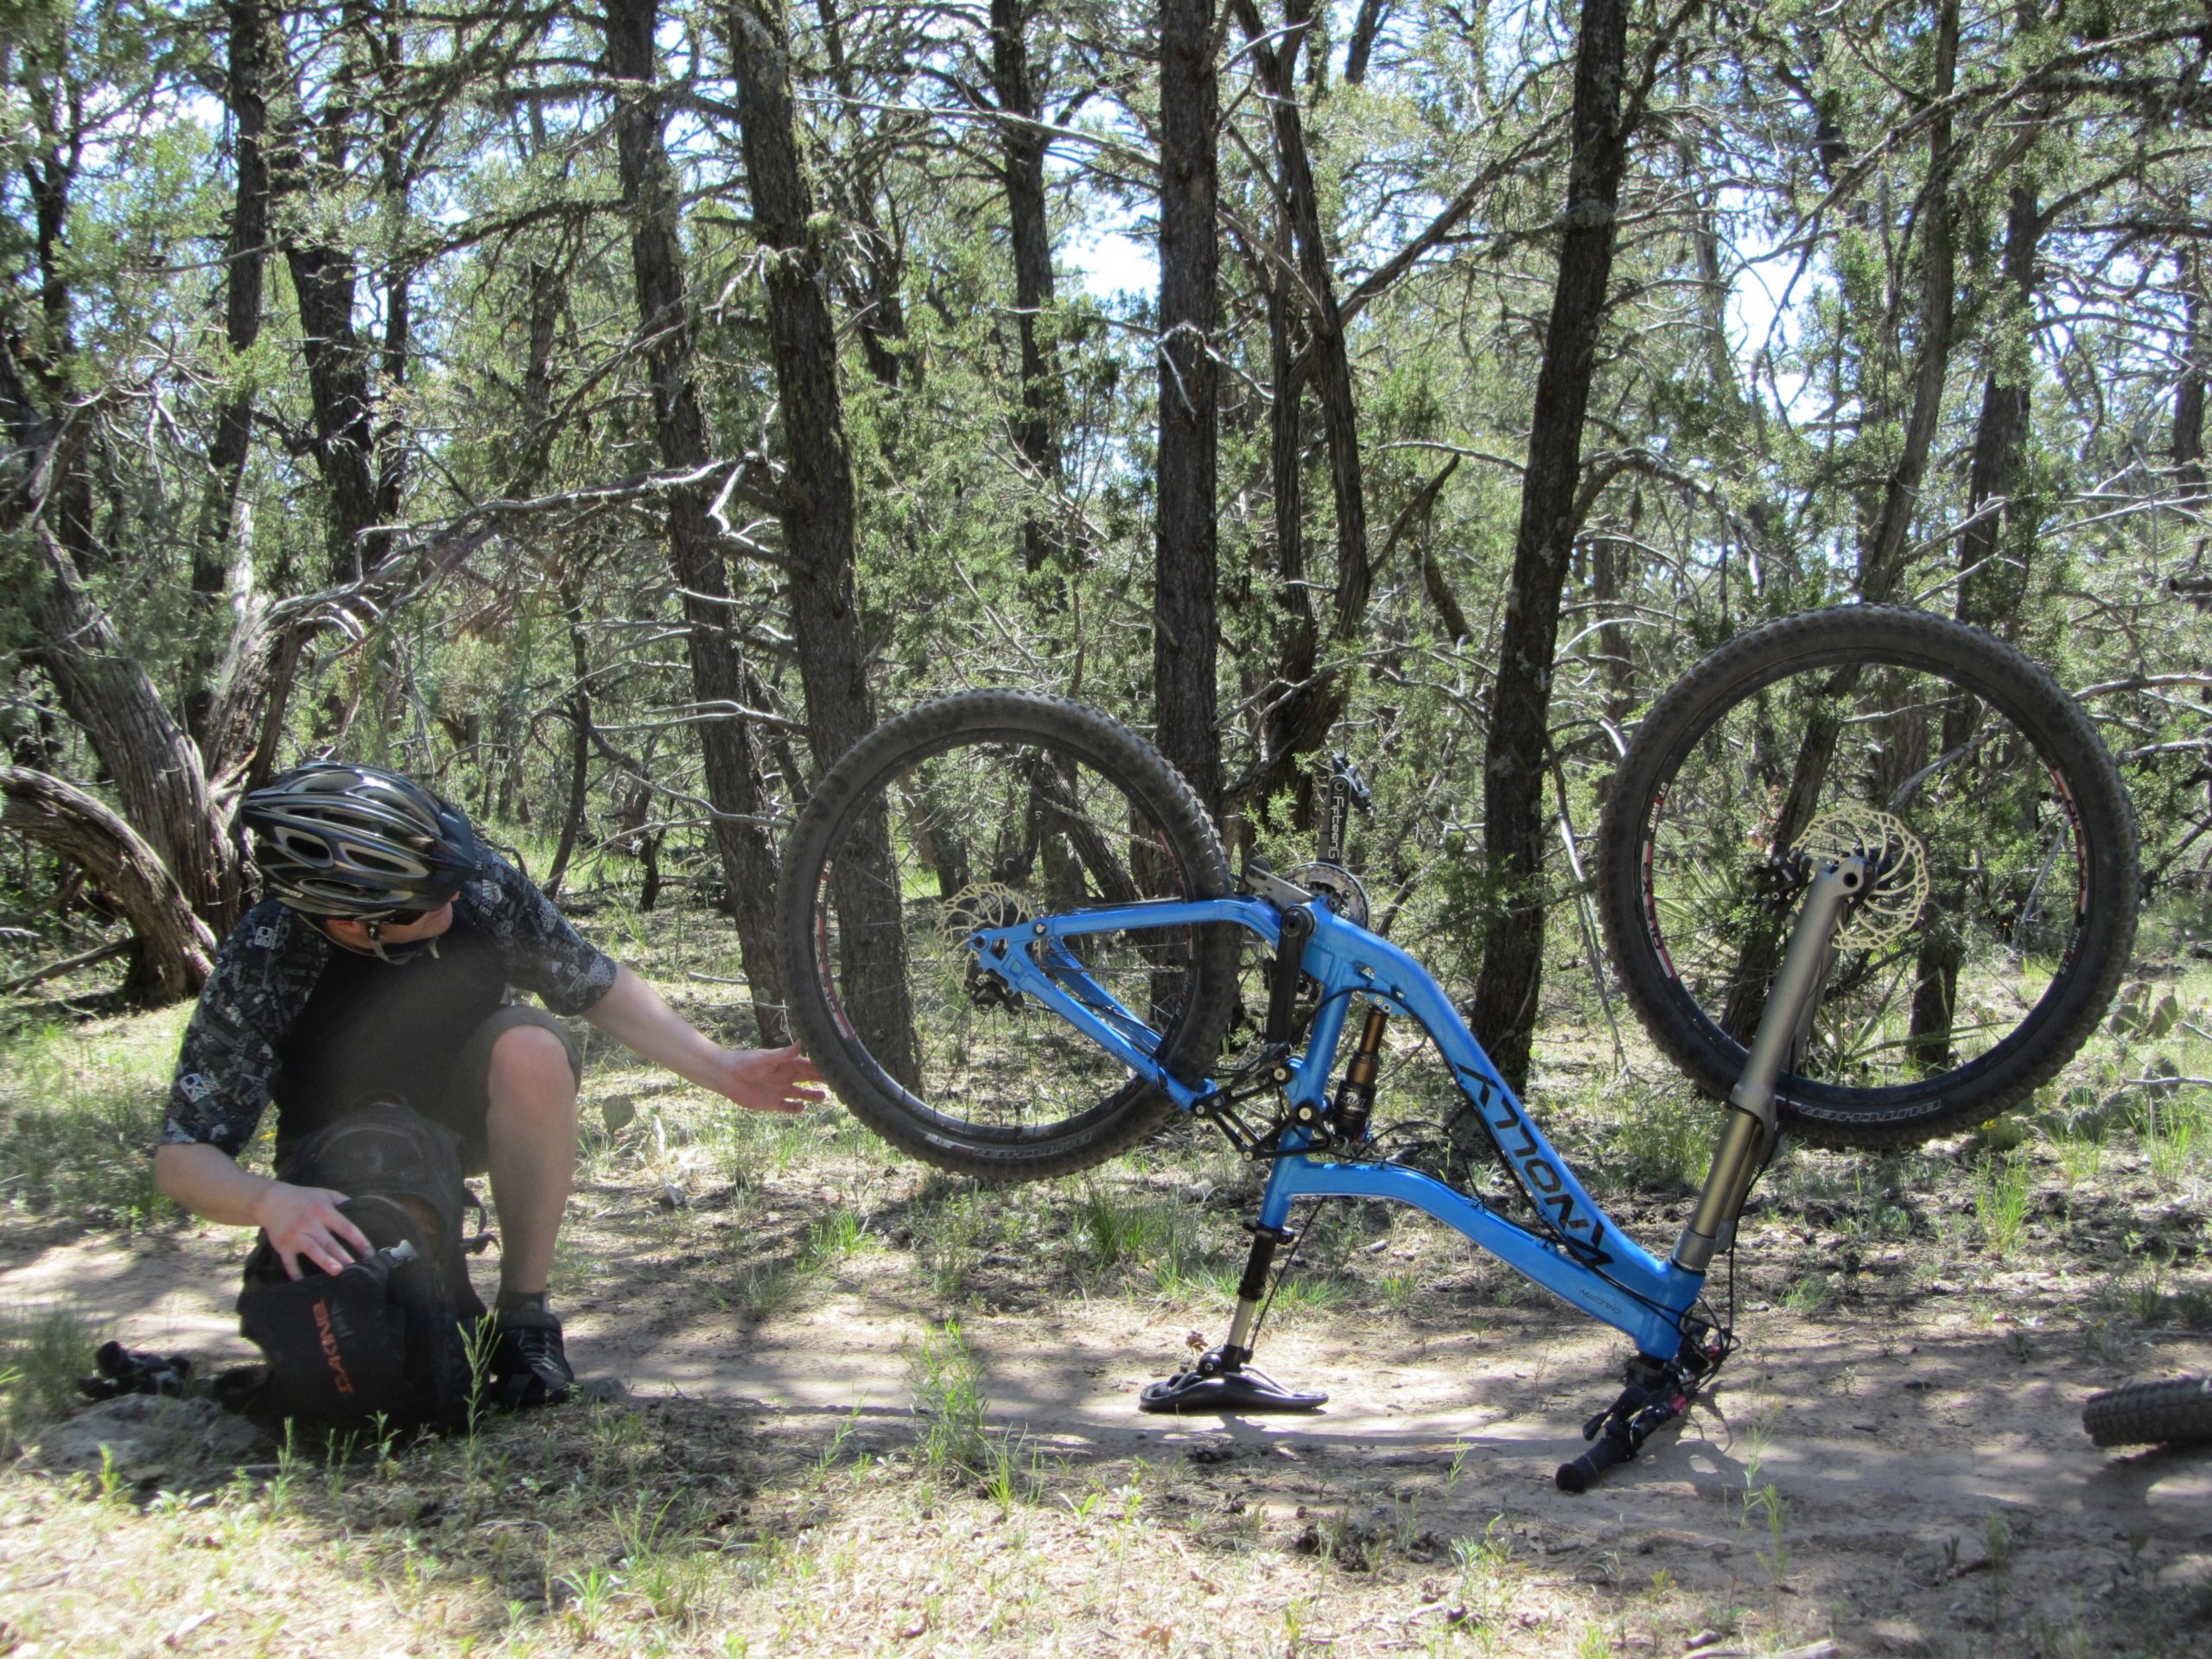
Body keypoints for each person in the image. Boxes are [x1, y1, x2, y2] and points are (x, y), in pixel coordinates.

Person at [156, 761, 823, 1406]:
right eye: (429, 894)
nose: (455, 892)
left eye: (451, 873)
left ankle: (525, 1318)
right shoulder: (268, 951)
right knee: (392, 1361)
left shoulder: (474, 886)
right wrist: (270, 1203)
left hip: (464, 1117)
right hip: (340, 1155)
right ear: (350, 921)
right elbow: (184, 1158)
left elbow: (595, 982)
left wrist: (724, 1068)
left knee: (531, 1044)